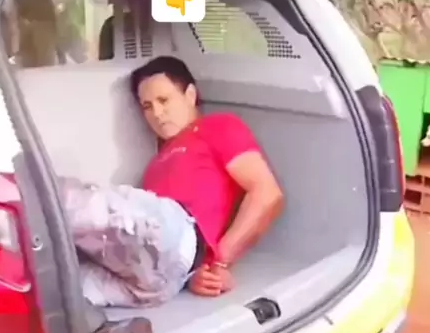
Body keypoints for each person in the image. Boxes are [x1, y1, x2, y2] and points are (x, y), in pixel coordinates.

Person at [64, 56, 284, 309]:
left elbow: (267, 195)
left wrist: (220, 262)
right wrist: (195, 275)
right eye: (147, 106)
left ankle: (27, 198)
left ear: (190, 95)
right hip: (166, 279)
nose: (157, 114)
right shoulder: (155, 165)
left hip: (180, 233)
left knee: (66, 202)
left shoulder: (218, 127)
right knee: (63, 288)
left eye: (164, 100)